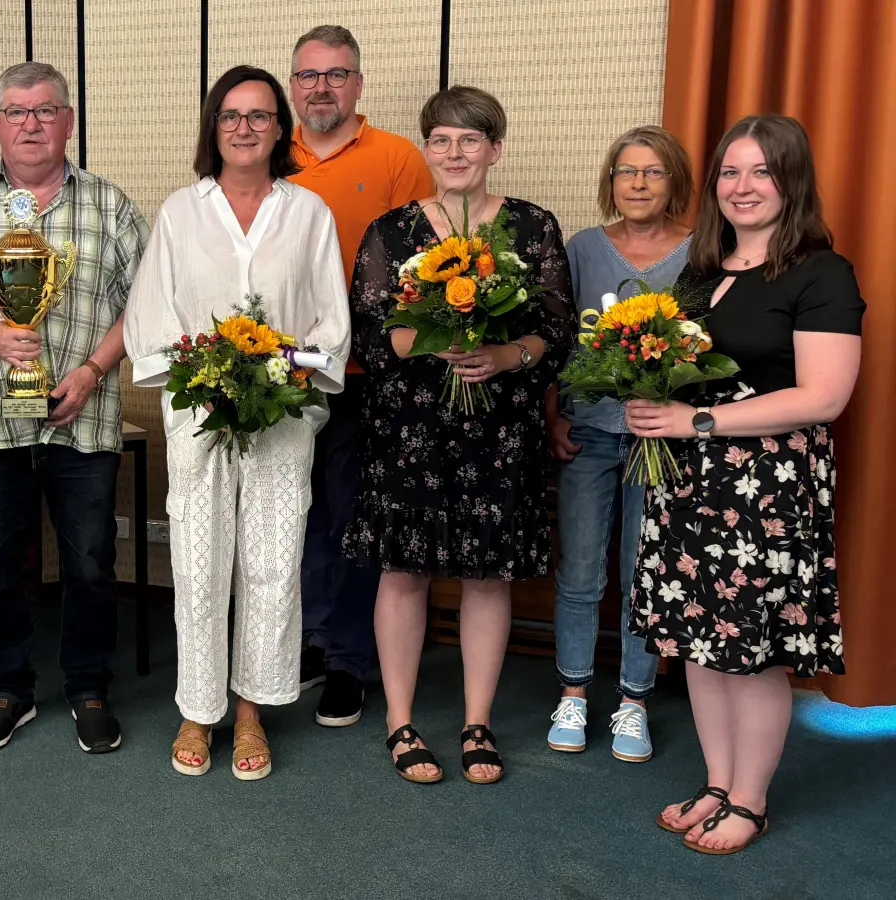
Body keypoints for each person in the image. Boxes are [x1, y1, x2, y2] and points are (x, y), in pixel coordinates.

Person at [628, 114, 863, 853]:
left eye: (761, 171)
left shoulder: (820, 272)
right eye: (731, 171)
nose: (743, 186)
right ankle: (718, 782)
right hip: (692, 486)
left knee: (750, 647)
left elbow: (824, 396)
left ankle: (751, 800)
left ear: (791, 180)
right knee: (702, 641)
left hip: (766, 489)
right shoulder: (703, 273)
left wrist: (692, 424)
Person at [0, 61, 149, 753]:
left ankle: (88, 687)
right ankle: (9, 687)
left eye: (45, 110)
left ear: (68, 121)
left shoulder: (109, 204)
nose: (31, 123)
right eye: (16, 111)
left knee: (91, 562)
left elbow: (147, 304)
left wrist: (95, 368)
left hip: (87, 413)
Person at [343, 86, 575, 785]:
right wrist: (433, 342)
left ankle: (478, 721)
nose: (454, 153)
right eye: (441, 140)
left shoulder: (533, 229)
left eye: (470, 140)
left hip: (499, 429)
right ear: (427, 149)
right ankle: (400, 721)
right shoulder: (391, 232)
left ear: (494, 149)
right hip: (410, 427)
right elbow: (370, 332)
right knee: (404, 571)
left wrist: (507, 356)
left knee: (487, 576)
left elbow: (559, 332)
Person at [125, 66, 349, 779]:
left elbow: (330, 323)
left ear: (281, 128)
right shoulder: (181, 212)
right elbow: (152, 317)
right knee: (198, 562)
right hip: (200, 412)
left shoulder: (309, 212)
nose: (245, 128)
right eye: (231, 116)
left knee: (273, 562)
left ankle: (252, 710)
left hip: (283, 414)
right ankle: (198, 706)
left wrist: (283, 370)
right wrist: (205, 378)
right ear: (212, 128)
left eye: (259, 116)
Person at [286, 24, 434, 725]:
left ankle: (348, 659)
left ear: (358, 84)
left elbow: (428, 273)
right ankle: (306, 641)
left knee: (350, 516)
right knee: (293, 515)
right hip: (277, 376)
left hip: (364, 374)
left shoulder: (399, 159)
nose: (322, 87)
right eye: (309, 75)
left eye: (336, 74)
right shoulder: (263, 151)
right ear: (293, 85)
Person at [545, 126, 694, 762]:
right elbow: (557, 339)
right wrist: (554, 414)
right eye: (626, 172)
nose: (637, 183)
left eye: (653, 172)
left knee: (643, 571)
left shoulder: (699, 252)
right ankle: (573, 692)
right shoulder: (582, 248)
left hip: (661, 438)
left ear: (674, 183)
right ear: (610, 182)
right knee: (580, 568)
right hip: (589, 432)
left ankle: (633, 699)